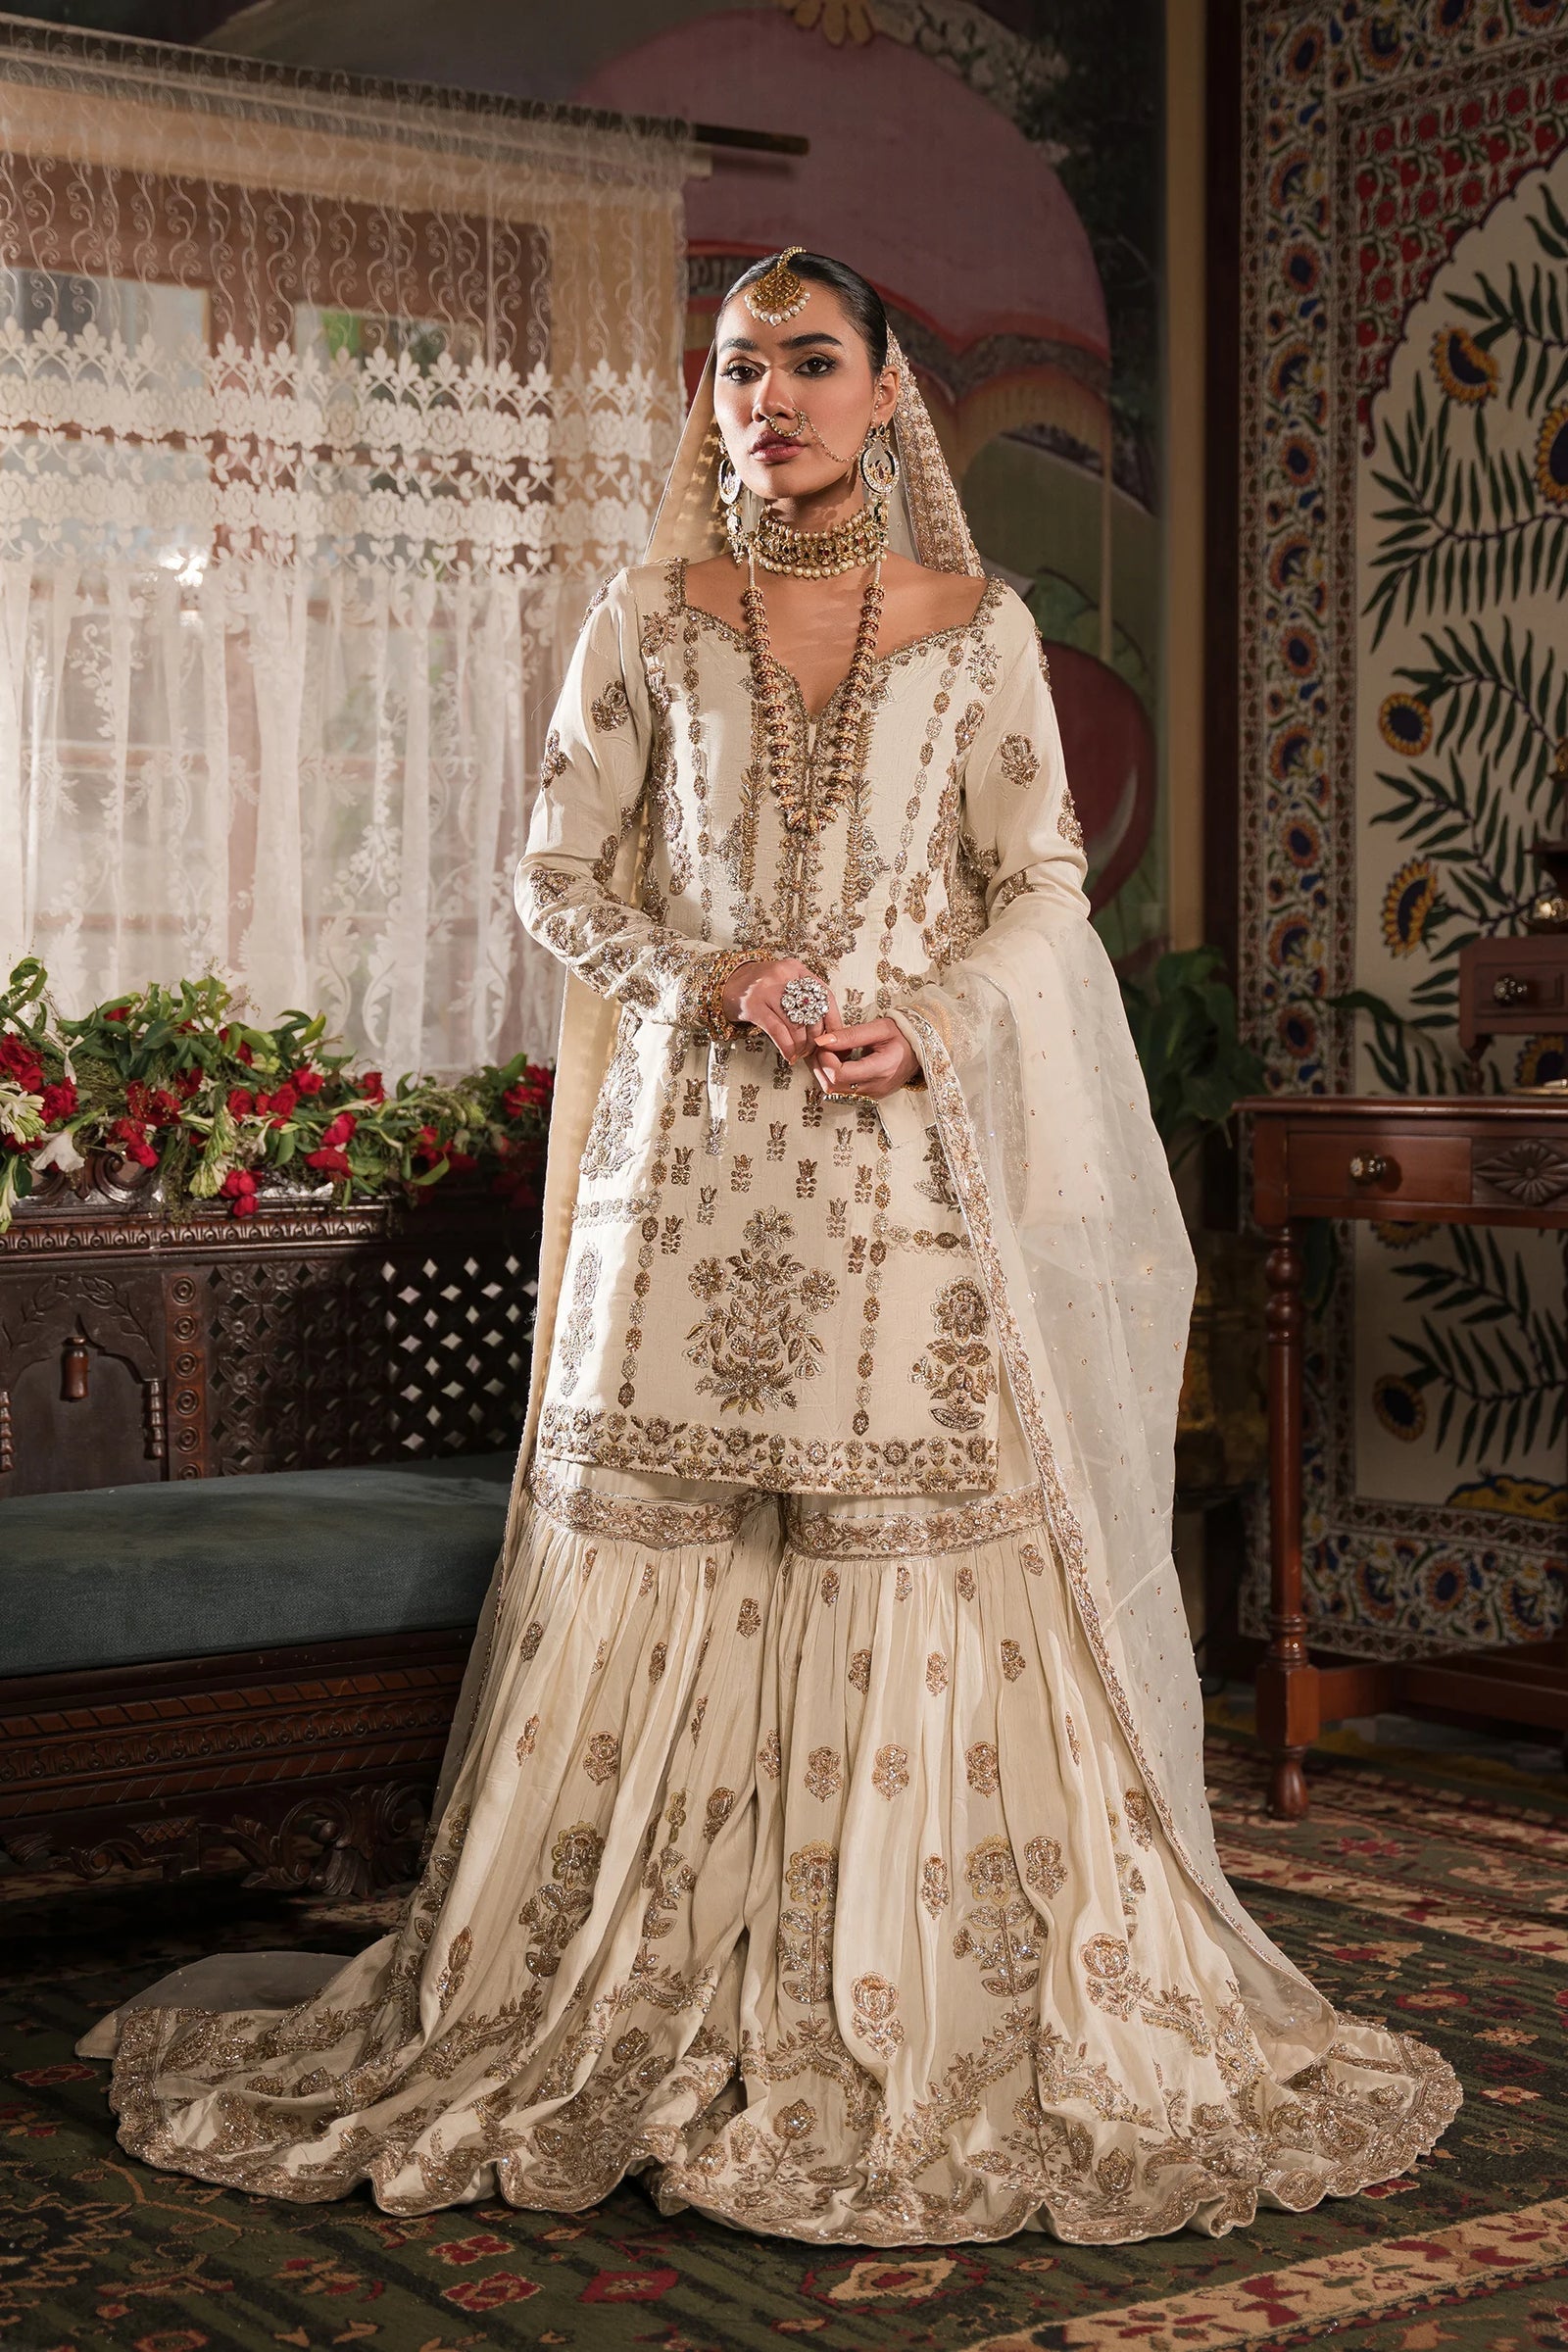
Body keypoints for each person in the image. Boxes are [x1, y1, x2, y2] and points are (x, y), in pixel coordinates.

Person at [79, 249, 1459, 2244]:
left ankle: (906, 1994)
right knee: (673, 1543)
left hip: (903, 1174)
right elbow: (556, 875)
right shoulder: (647, 618)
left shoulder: (979, 632)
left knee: (899, 1540)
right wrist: (708, 975)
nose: (770, 399)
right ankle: (619, 1992)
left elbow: (1038, 886)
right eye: (739, 367)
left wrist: (935, 1024)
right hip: (685, 1171)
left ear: (889, 392)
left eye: (811, 362)